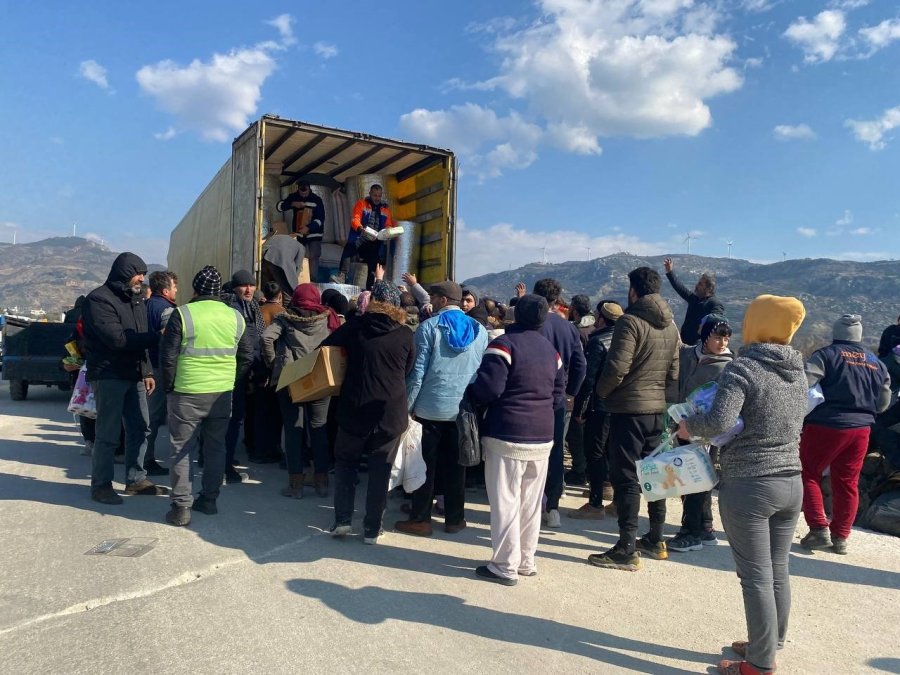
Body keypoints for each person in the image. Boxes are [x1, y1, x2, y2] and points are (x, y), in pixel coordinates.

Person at [676, 294, 808, 675]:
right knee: (777, 568)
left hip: (751, 483)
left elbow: (718, 422)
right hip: (791, 481)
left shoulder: (743, 368)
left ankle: (760, 664)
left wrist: (689, 428)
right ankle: (770, 640)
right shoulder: (798, 369)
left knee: (754, 575)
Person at [468, 294, 565, 586]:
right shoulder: (551, 351)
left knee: (505, 500)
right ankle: (526, 560)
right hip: (543, 434)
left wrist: (472, 397)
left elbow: (489, 388)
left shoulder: (503, 345)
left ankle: (504, 565)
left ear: (515, 316)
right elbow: (559, 393)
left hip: (507, 433)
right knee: (531, 502)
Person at [588, 267, 679, 570]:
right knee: (655, 476)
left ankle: (626, 548)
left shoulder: (630, 321)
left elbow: (616, 367)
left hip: (629, 410)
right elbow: (674, 372)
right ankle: (656, 538)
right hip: (657, 410)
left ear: (633, 291)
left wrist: (601, 392)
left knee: (626, 478)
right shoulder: (671, 325)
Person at [322, 280, 415, 543]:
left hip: (354, 407)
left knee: (346, 464)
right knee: (380, 471)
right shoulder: (405, 334)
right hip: (390, 412)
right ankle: (372, 529)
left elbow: (326, 350)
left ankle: (342, 521)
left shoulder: (355, 327)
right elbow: (408, 369)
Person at [160, 266, 253, 526]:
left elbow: (167, 357)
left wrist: (169, 387)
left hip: (186, 391)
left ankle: (181, 507)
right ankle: (209, 500)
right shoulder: (236, 317)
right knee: (215, 448)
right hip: (221, 393)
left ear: (196, 289)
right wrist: (231, 379)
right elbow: (247, 355)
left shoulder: (183, 314)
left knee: (181, 448)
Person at [396, 280, 488, 537]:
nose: (431, 301)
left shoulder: (428, 328)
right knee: (456, 466)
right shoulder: (480, 331)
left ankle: (421, 519)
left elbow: (417, 373)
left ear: (444, 301)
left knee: (425, 466)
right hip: (462, 410)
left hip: (429, 408)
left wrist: (408, 407)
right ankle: (455, 519)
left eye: (434, 297)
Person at [799, 314, 891, 555]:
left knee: (808, 473)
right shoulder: (876, 363)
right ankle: (840, 536)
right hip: (861, 430)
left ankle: (818, 529)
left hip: (826, 426)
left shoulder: (826, 355)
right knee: (847, 482)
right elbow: (883, 403)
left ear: (836, 332)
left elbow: (803, 382)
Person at [81, 252, 164, 504]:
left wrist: (147, 370)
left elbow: (140, 335)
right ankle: (101, 485)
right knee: (108, 433)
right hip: (109, 374)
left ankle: (135, 479)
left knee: (141, 426)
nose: (142, 278)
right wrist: (158, 336)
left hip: (135, 374)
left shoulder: (136, 299)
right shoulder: (98, 300)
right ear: (125, 273)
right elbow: (118, 340)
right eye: (139, 273)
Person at [261, 283, 339, 499]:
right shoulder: (328, 317)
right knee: (319, 428)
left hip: (290, 378)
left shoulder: (285, 318)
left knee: (293, 430)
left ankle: (296, 485)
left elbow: (266, 338)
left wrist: (272, 362)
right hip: (320, 378)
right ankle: (321, 481)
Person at [520, 279, 586, 528]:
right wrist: (571, 391)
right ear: (557, 300)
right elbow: (581, 364)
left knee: (526, 450)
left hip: (530, 395)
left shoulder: (530, 325)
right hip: (558, 400)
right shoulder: (568, 328)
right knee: (556, 451)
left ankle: (528, 504)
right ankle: (553, 506)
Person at [666, 314, 734, 553]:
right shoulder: (689, 354)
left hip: (705, 429)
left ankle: (690, 532)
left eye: (726, 338)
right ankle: (704, 527)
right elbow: (675, 341)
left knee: (694, 478)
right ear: (705, 337)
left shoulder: (728, 366)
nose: (722, 343)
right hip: (682, 424)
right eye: (717, 337)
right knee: (695, 477)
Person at [569, 301, 622, 519]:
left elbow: (589, 380)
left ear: (601, 318)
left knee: (595, 452)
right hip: (621, 406)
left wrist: (580, 409)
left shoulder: (597, 341)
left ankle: (595, 502)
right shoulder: (626, 341)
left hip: (599, 406)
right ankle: (616, 498)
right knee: (615, 452)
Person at [224, 270, 266, 477]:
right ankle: (225, 466)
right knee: (232, 419)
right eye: (244, 285)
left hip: (242, 370)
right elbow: (246, 345)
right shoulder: (232, 308)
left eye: (251, 285)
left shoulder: (251, 307)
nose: (248, 289)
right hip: (234, 372)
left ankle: (221, 458)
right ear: (235, 287)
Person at [144, 270, 178, 477]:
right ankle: (146, 460)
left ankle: (139, 457)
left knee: (143, 416)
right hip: (157, 369)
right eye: (174, 287)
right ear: (166, 290)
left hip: (144, 366)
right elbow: (169, 343)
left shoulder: (145, 306)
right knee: (153, 419)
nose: (176, 291)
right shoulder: (167, 311)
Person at [564, 293, 597, 486]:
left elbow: (577, 363)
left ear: (574, 309)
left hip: (578, 388)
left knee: (575, 432)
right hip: (592, 390)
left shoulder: (576, 331)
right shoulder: (594, 327)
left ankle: (579, 470)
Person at [341, 184, 395, 289]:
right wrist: (361, 228)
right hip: (361, 237)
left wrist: (389, 231)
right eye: (375, 195)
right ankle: (342, 275)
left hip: (375, 241)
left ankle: (370, 288)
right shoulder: (361, 204)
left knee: (373, 265)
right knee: (349, 248)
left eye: (379, 196)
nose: (377, 198)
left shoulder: (386, 210)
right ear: (370, 194)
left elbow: (388, 225)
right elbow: (355, 219)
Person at [663, 257, 725, 345]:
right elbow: (680, 288)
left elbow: (716, 323)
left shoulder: (714, 303)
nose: (696, 285)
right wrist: (670, 272)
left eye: (700, 284)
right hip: (684, 344)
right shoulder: (694, 299)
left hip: (699, 348)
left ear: (708, 288)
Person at [278, 180, 324, 281]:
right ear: (298, 189)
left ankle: (312, 280)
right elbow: (279, 207)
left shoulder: (316, 200)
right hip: (300, 235)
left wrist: (309, 227)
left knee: (313, 257)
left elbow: (320, 219)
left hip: (314, 235)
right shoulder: (294, 197)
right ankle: (301, 280)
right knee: (301, 258)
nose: (303, 194)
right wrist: (292, 204)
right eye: (301, 191)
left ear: (309, 188)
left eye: (305, 191)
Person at [262, 231, 305, 297]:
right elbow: (297, 267)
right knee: (288, 292)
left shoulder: (276, 236)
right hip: (280, 263)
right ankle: (286, 307)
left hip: (265, 259)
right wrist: (292, 281)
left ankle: (263, 305)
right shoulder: (300, 247)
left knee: (266, 289)